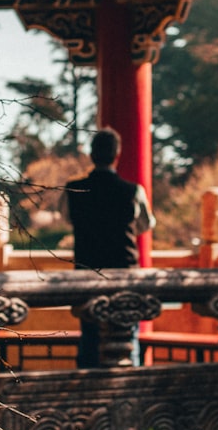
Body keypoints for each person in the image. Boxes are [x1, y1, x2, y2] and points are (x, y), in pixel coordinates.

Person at [61, 128, 155, 367]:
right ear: (117, 155)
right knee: (126, 332)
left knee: (90, 333)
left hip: (87, 270)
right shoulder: (132, 191)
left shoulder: (73, 190)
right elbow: (145, 224)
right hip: (124, 271)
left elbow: (67, 218)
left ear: (92, 155)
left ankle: (89, 389)